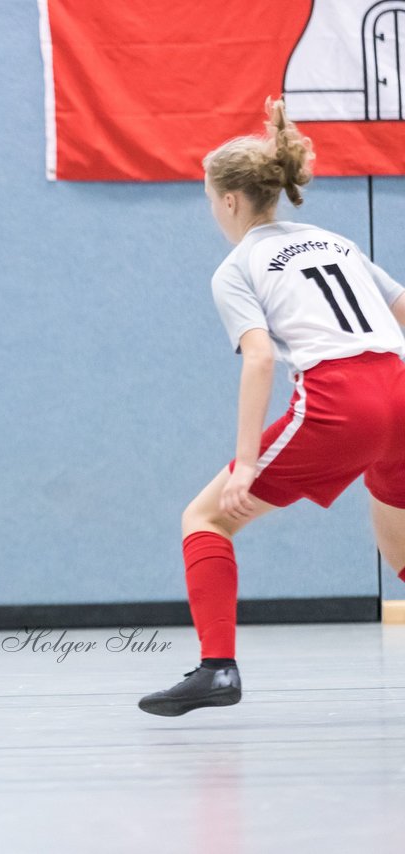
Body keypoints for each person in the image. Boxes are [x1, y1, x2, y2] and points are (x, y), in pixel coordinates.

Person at [139, 99, 405, 716]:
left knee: (207, 518)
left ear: (229, 200)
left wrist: (246, 462)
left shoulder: (238, 266)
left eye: (209, 199)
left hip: (342, 401)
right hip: (398, 386)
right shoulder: (333, 242)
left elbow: (259, 360)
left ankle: (217, 669)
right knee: (399, 551)